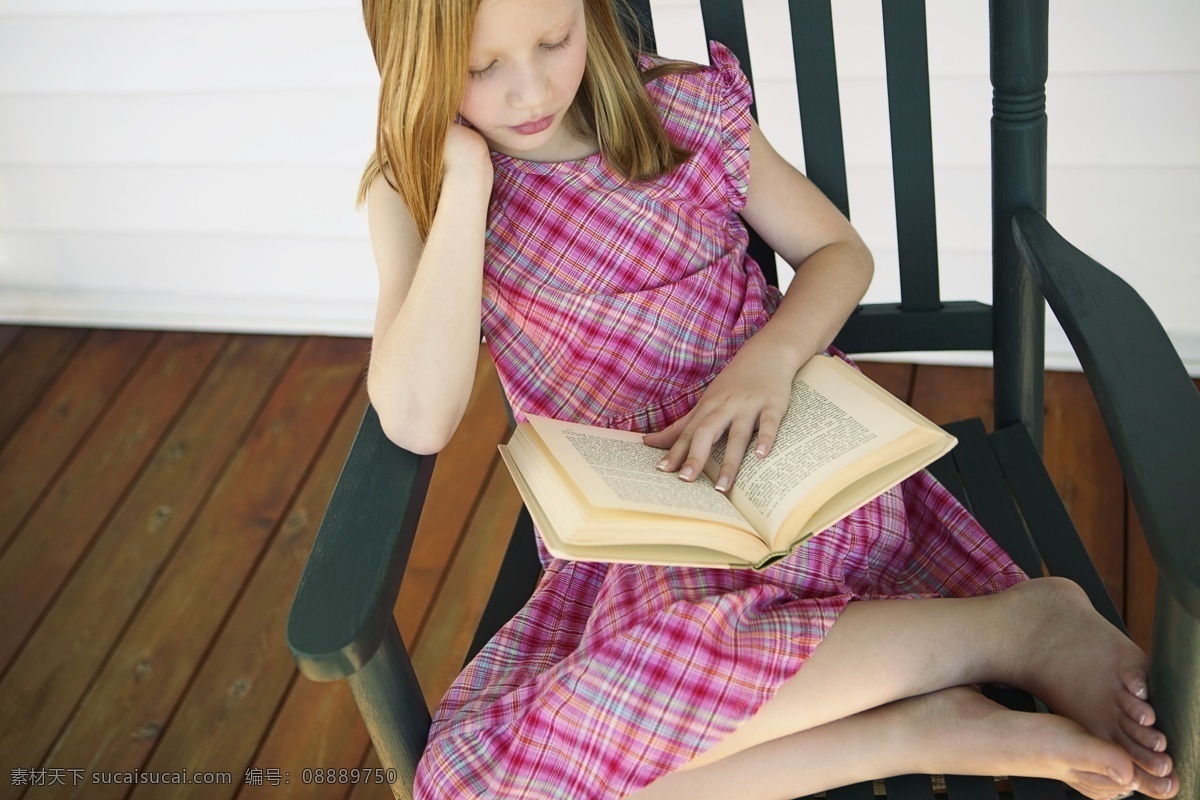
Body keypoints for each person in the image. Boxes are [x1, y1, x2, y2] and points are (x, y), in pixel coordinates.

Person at [357, 0, 1180, 797]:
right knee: (476, 784)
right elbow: (417, 418)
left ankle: (1016, 629)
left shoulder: (678, 110)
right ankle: (918, 726)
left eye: (554, 39)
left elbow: (837, 250)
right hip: (626, 532)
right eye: (481, 66)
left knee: (648, 692)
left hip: (780, 454)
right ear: (417, 65)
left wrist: (769, 361)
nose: (532, 91)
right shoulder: (418, 188)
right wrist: (461, 182)